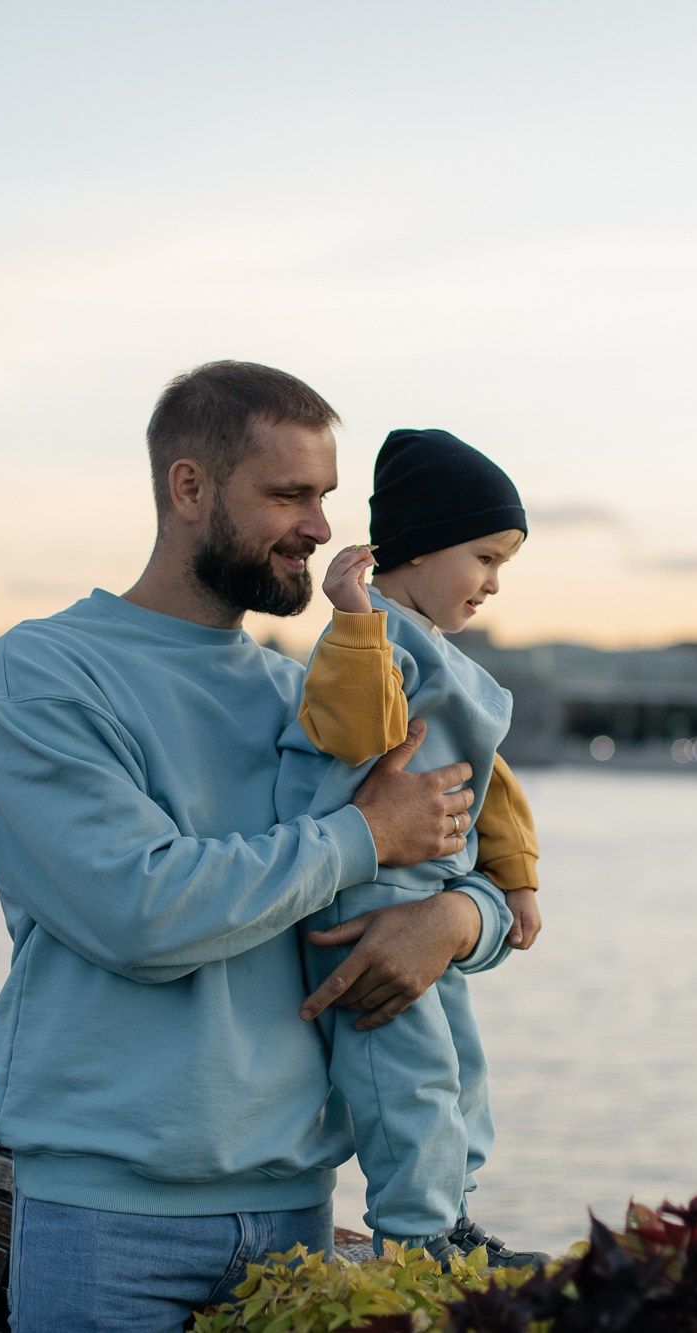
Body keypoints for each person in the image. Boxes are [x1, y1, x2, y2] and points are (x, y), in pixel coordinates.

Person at [0, 363, 518, 1332]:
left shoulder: (315, 694)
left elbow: (461, 864)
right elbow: (137, 909)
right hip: (107, 1224)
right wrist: (361, 835)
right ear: (188, 489)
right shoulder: (43, 672)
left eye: (326, 498)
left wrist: (454, 917)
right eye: (288, 495)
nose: (320, 527)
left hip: (296, 1213)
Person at [276, 427, 548, 1266]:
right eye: (485, 556)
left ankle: (453, 1214)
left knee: (459, 1068)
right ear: (424, 545)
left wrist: (517, 879)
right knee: (406, 1077)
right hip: (361, 907)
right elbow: (361, 733)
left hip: (426, 900)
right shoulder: (367, 642)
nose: (495, 584)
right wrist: (354, 623)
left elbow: (488, 783)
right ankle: (419, 1236)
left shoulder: (441, 656)